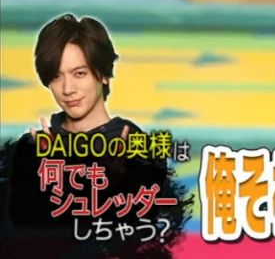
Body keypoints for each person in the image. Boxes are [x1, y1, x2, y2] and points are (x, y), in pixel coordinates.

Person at [0, 14, 185, 258]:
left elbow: (152, 239)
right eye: (56, 76)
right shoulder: (30, 148)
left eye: (79, 74)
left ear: (103, 74)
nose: (68, 89)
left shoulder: (136, 147)